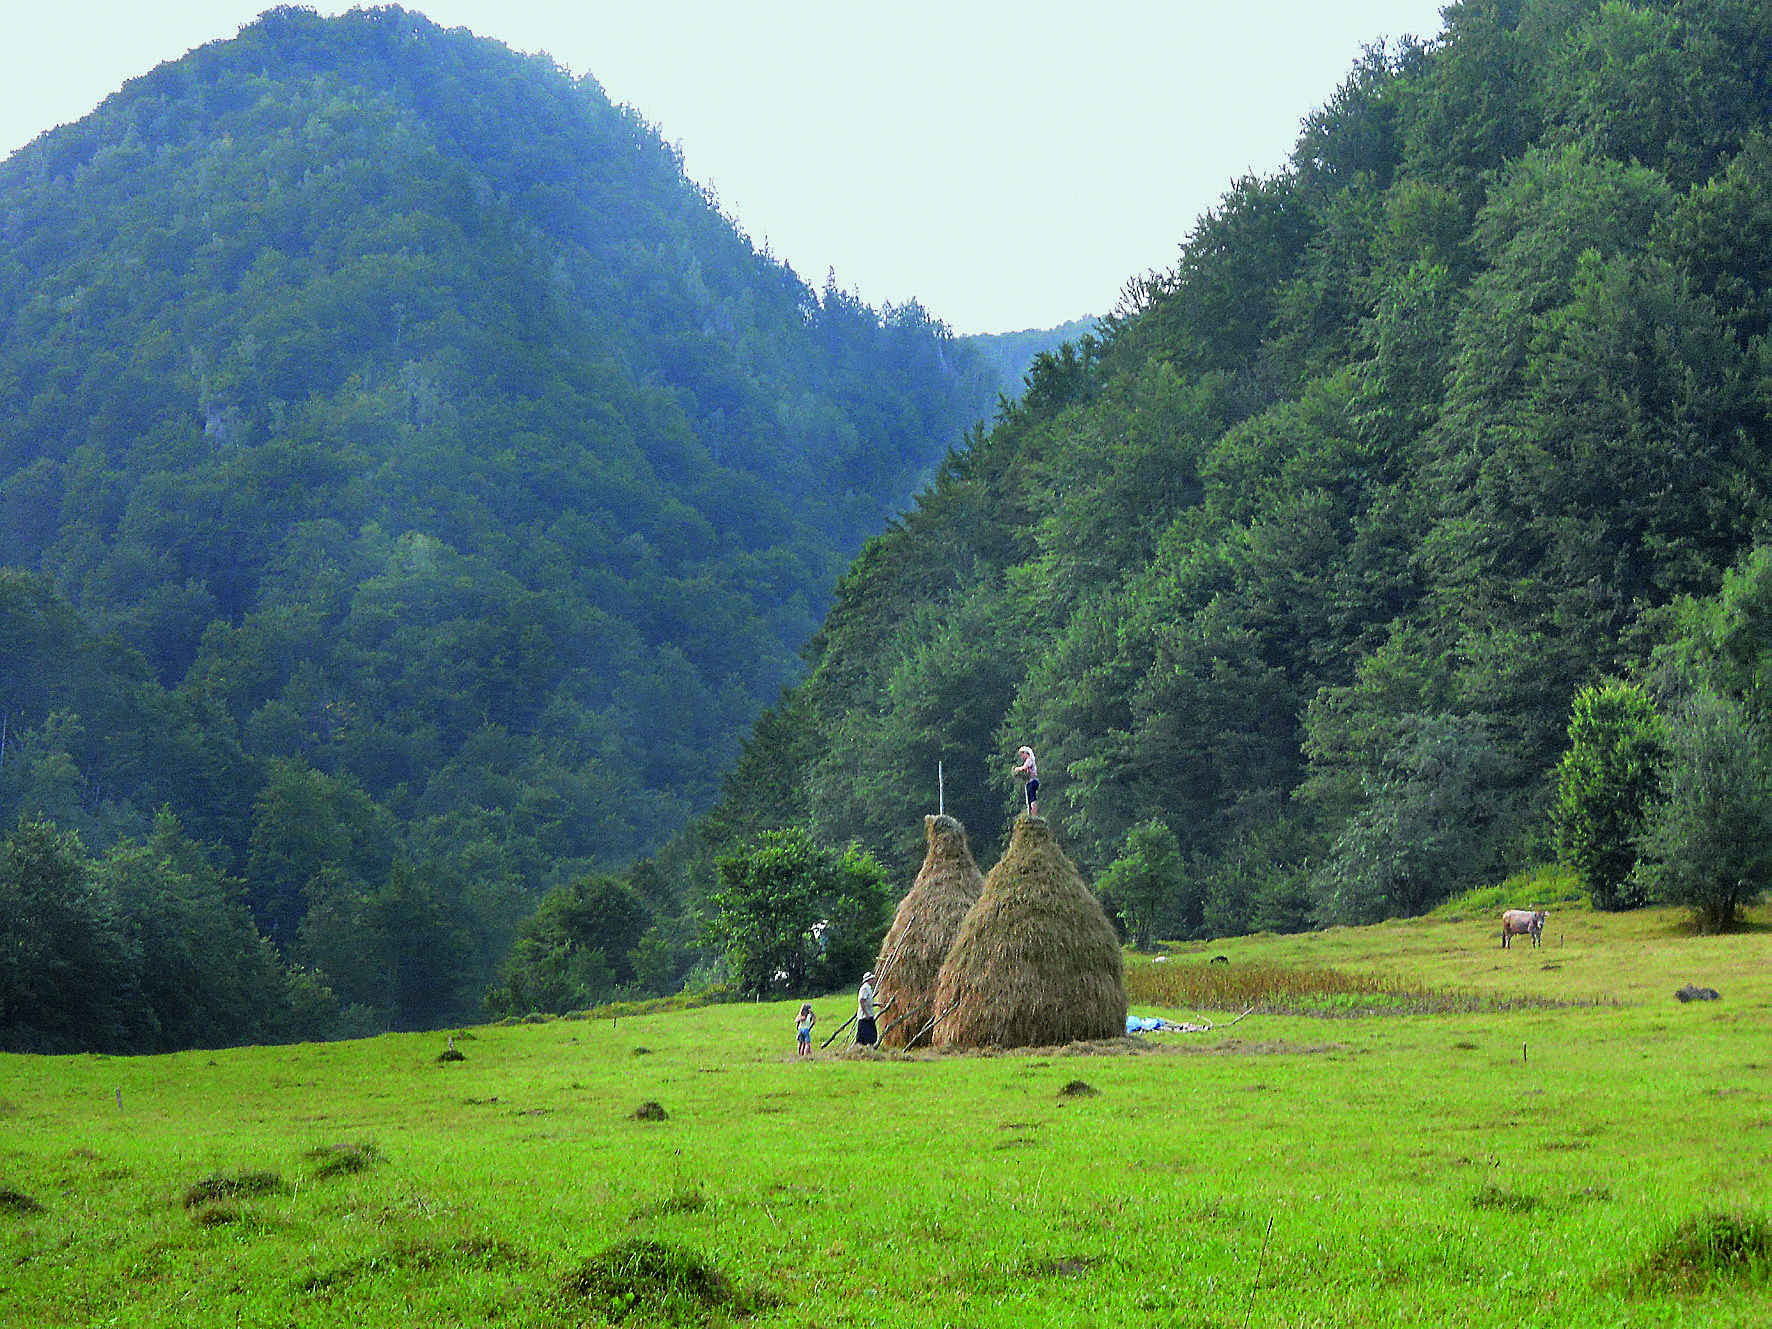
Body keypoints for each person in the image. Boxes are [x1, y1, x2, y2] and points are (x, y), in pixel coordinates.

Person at [1013, 745, 1039, 817]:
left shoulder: (1029, 760)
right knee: (1029, 800)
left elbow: (1025, 767)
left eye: (1022, 754)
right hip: (1029, 782)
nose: (1021, 756)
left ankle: (1034, 816)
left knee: (1032, 799)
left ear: (1026, 753)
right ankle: (1030, 815)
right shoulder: (1028, 760)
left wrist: (1017, 769)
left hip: (1033, 781)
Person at [855, 971, 879, 1047]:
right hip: (864, 1017)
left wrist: (876, 1004)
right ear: (869, 980)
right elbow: (861, 1001)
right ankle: (860, 1050)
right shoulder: (865, 988)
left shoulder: (868, 988)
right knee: (865, 1035)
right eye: (872, 979)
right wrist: (866, 1013)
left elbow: (867, 1002)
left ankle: (866, 1049)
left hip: (868, 1014)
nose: (873, 980)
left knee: (870, 1035)